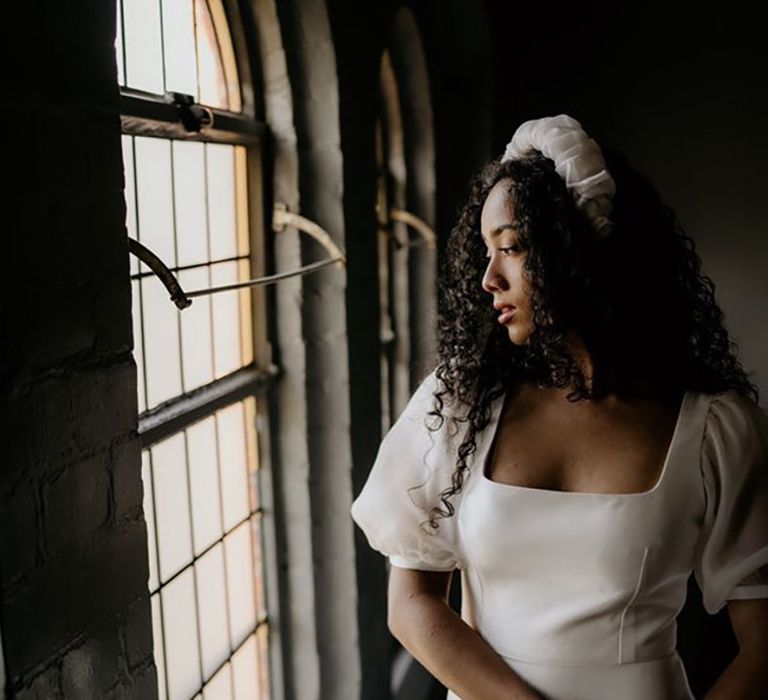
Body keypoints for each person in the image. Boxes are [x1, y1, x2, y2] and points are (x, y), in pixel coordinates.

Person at [350, 115, 768, 699]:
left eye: (513, 248)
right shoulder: (460, 409)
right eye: (486, 252)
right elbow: (412, 603)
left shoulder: (713, 429)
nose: (488, 278)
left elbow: (763, 647)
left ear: (580, 254)